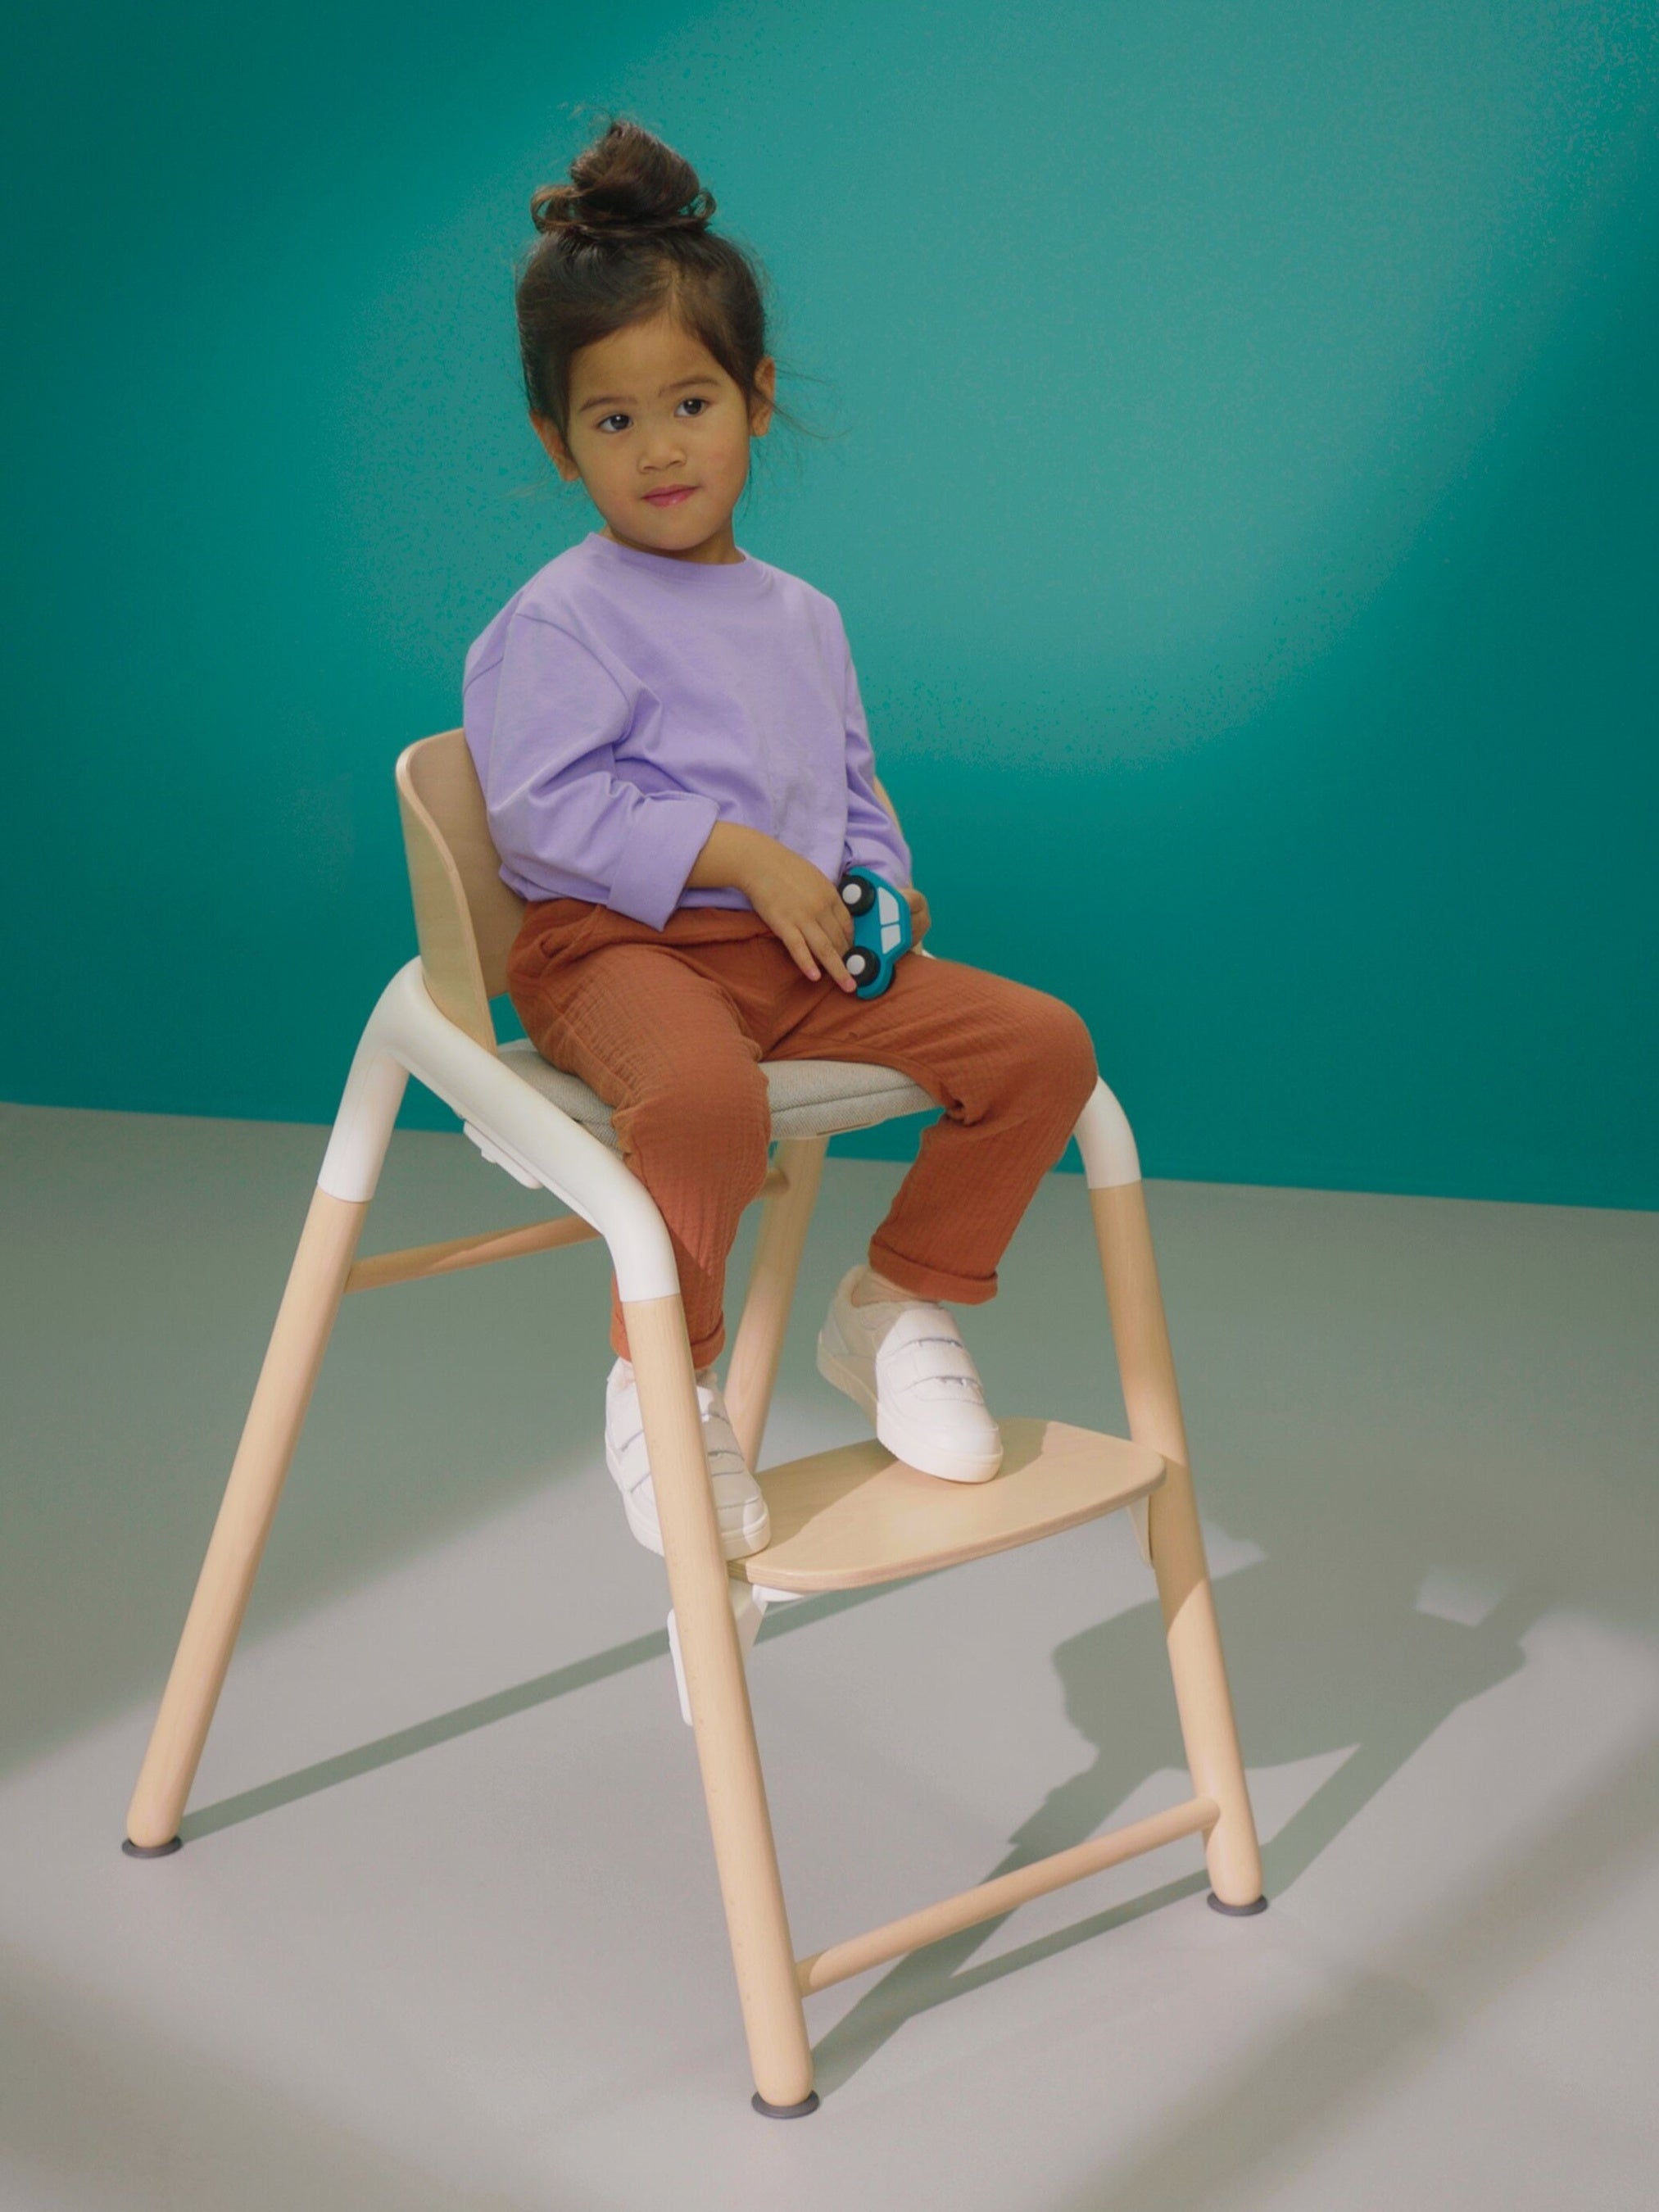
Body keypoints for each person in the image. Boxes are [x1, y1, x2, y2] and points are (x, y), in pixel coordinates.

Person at [463, 116, 1099, 1562]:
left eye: (689, 403)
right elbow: (542, 812)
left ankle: (894, 1302)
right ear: (557, 445)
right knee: (704, 1101)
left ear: (753, 400)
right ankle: (663, 1378)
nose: (658, 448)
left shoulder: (803, 616)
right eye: (611, 422)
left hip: (791, 957)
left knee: (1040, 1047)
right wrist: (739, 856)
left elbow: (848, 789)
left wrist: (875, 882)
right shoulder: (560, 617)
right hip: (613, 950)